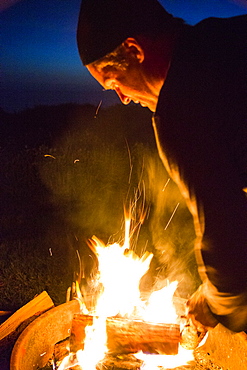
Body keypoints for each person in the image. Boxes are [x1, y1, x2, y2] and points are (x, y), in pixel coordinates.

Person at [76, 0, 247, 333]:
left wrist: (215, 303)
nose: (122, 98)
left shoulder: (184, 107)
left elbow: (227, 229)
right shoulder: (224, 38)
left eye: (114, 80)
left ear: (135, 50)